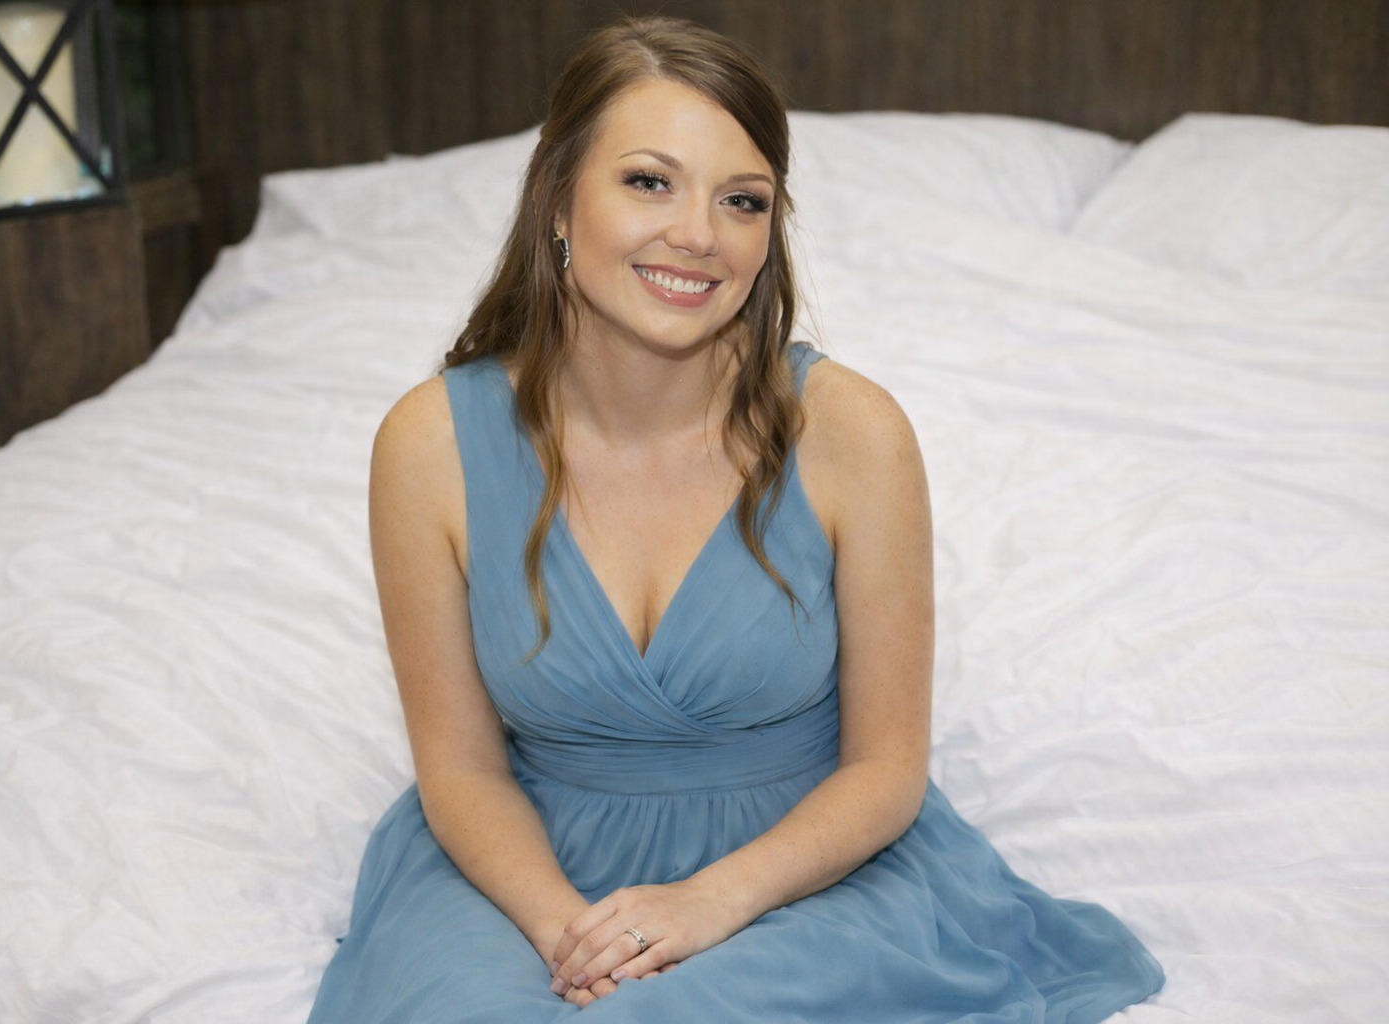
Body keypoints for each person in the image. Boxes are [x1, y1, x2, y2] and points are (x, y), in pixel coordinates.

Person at [308, 16, 1164, 1023]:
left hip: (804, 873)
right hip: (524, 871)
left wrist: (708, 903)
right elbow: (459, 767)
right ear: (557, 201)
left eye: (742, 200)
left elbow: (886, 769)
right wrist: (570, 935)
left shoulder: (855, 434)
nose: (699, 236)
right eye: (649, 182)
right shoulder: (429, 446)